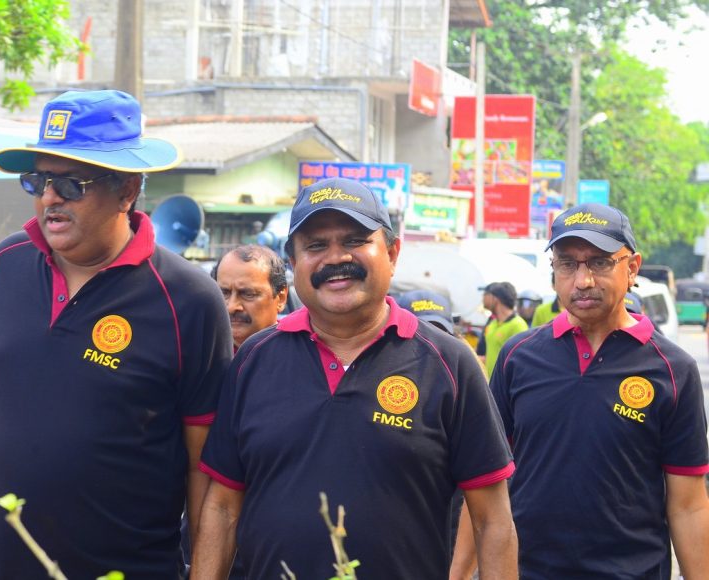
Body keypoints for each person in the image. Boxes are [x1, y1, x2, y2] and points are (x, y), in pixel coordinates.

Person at [0, 90, 233, 578]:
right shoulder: (8, 262)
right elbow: (0, 376)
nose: (49, 198)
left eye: (72, 184)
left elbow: (205, 467)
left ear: (127, 190)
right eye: (38, 181)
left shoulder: (188, 299)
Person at [192, 178, 517, 579]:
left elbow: (492, 520)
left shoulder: (448, 363)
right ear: (293, 264)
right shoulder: (254, 360)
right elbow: (223, 508)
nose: (335, 258)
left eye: (355, 240)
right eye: (315, 245)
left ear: (392, 253)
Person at [486, 203, 708, 578]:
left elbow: (688, 506)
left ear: (632, 268)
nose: (583, 280)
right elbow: (487, 481)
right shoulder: (518, 357)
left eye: (600, 263)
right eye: (567, 264)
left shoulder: (672, 370)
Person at [211, 244, 288, 350]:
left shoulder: (297, 354)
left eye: (248, 294)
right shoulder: (201, 351)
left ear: (281, 298)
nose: (231, 307)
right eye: (224, 293)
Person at [477, 282, 527, 377]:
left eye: (485, 294)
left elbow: (522, 362)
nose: (482, 298)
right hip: (489, 382)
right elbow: (491, 355)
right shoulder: (492, 324)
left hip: (505, 383)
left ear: (495, 298)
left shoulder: (518, 325)